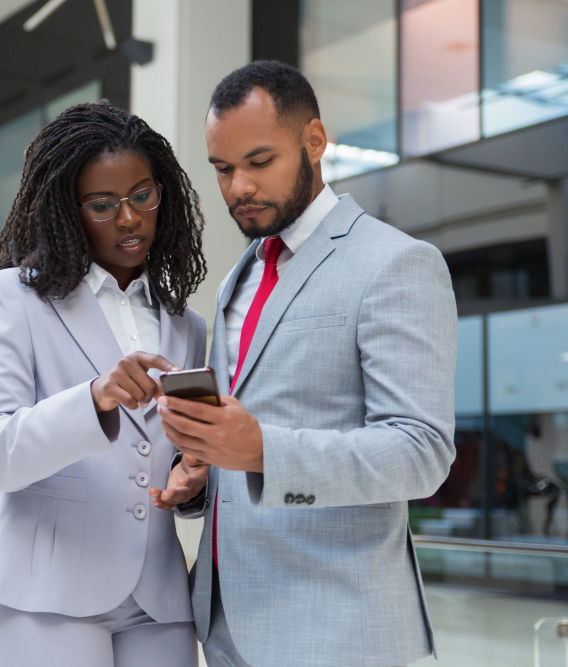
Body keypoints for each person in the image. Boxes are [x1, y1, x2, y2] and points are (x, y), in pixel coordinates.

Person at [151, 61, 458, 667]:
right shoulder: (240, 275)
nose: (238, 186)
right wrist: (204, 475)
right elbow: (247, 432)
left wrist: (263, 452)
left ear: (314, 142)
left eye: (259, 162)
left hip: (337, 629)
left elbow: (421, 452)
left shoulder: (396, 263)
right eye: (222, 168)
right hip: (226, 622)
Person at [0, 101, 209, 667]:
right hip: (43, 595)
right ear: (65, 211)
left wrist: (191, 484)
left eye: (143, 195)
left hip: (158, 598)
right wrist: (95, 399)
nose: (128, 218)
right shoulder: (14, 298)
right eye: (102, 205)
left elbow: (172, 455)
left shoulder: (186, 325)